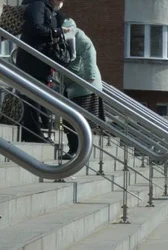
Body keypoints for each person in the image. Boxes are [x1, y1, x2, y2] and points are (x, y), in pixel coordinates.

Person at [16, 0, 69, 143]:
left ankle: (36, 132)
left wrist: (57, 20)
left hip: (41, 60)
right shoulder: (38, 5)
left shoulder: (48, 9)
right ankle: (31, 134)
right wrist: (56, 32)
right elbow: (35, 28)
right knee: (33, 97)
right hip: (32, 60)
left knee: (38, 97)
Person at [59, 18, 104, 160]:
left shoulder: (79, 37)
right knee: (71, 119)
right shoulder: (62, 36)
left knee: (75, 120)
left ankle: (76, 150)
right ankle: (76, 150)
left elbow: (90, 52)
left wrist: (89, 78)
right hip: (74, 84)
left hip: (84, 86)